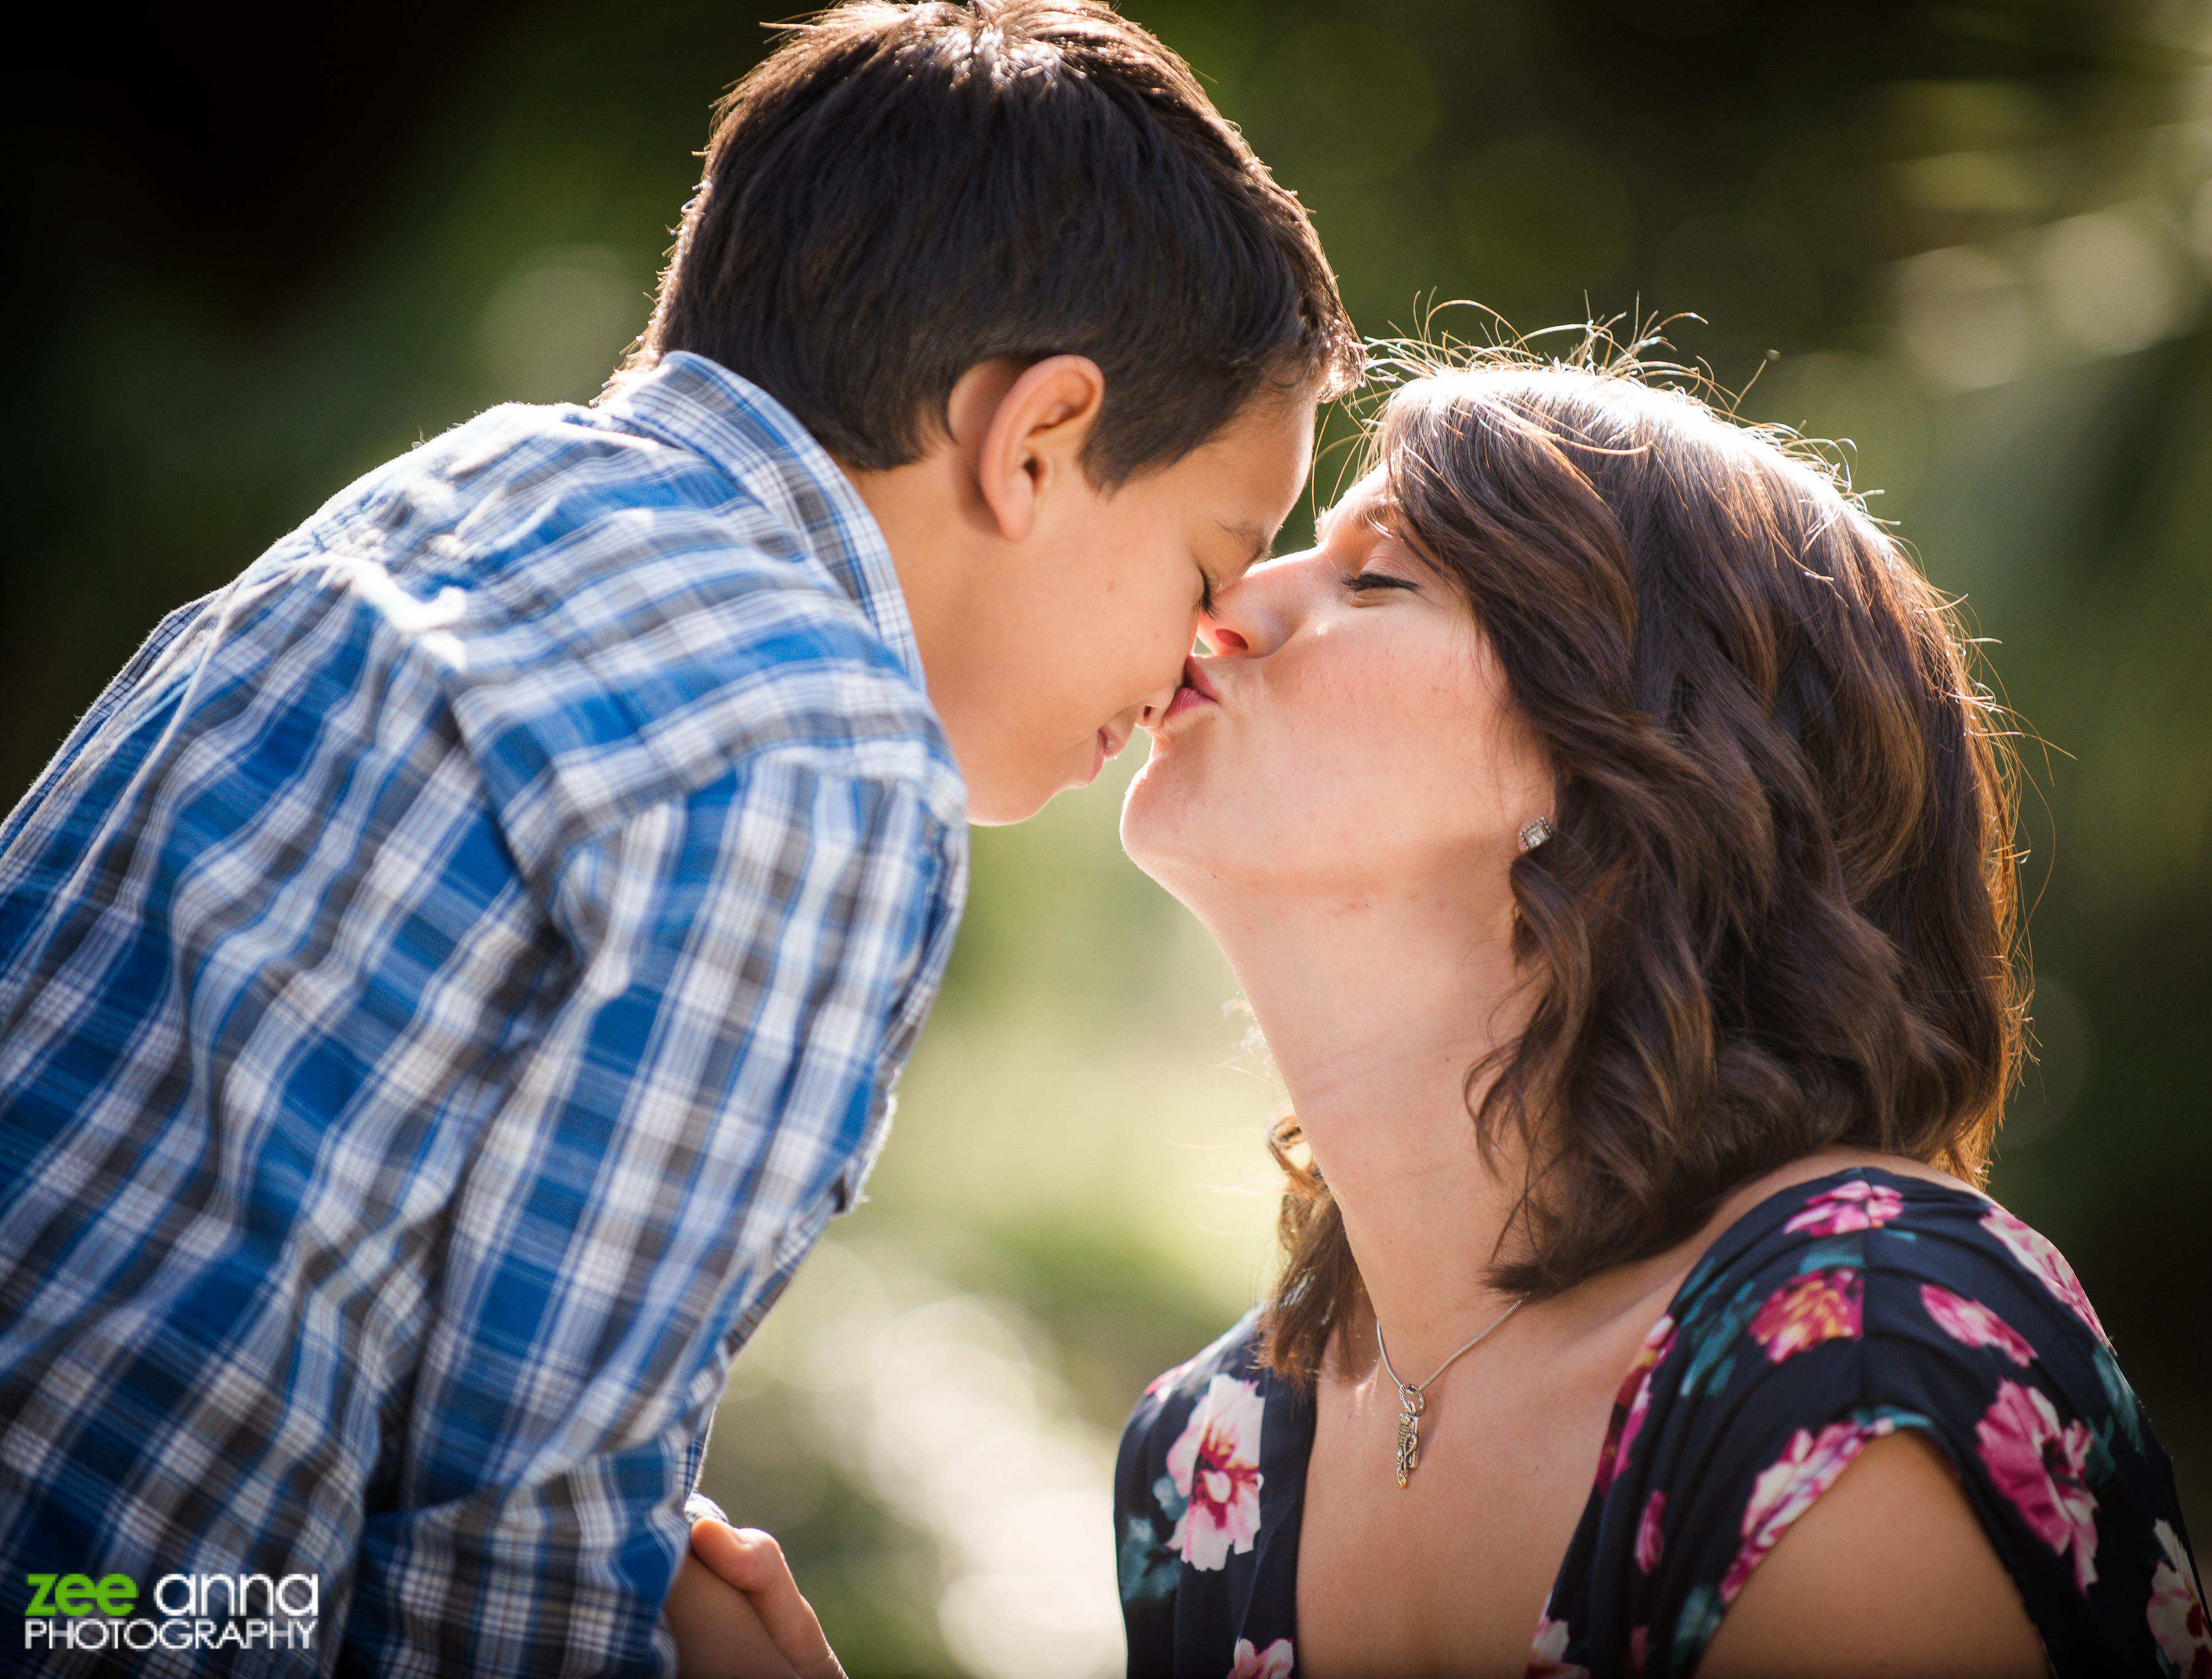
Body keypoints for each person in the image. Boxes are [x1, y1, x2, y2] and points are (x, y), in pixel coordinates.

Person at [0, 1, 1356, 1672]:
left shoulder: (447, 504)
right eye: (1209, 573)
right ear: (1037, 441)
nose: (1187, 671)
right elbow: (511, 1548)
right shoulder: (818, 755)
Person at [1108, 349, 2212, 1677]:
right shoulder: (1198, 1461)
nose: (1227, 600)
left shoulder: (1846, 1356)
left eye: (1376, 573)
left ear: (1616, 764)